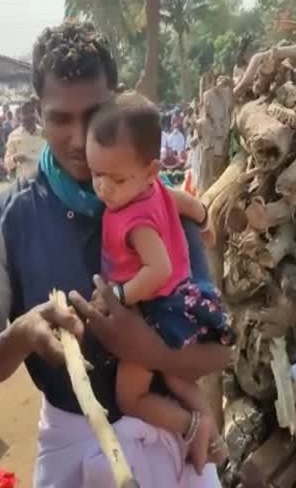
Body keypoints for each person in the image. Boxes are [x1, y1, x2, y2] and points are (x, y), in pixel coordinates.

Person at [0, 21, 227, 487]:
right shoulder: (5, 220)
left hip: (172, 450)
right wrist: (18, 337)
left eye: (94, 114)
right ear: (37, 112)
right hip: (69, 456)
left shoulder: (160, 206)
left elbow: (220, 353)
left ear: (117, 99)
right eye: (60, 118)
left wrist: (146, 351)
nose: (80, 139)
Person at [87, 93, 232, 473]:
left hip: (159, 309)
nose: (103, 188)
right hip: (183, 302)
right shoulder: (151, 190)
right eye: (96, 174)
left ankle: (192, 427)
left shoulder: (134, 221)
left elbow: (158, 270)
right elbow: (183, 201)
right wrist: (203, 218)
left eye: (115, 179)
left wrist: (118, 294)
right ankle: (215, 447)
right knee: (177, 379)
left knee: (130, 395)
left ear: (150, 170)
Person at [3, 101, 45, 180]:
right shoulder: (13, 136)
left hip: (44, 182)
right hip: (24, 183)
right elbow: (7, 163)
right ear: (20, 116)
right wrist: (14, 159)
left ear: (35, 115)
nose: (29, 115)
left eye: (32, 112)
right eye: (25, 112)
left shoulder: (45, 134)